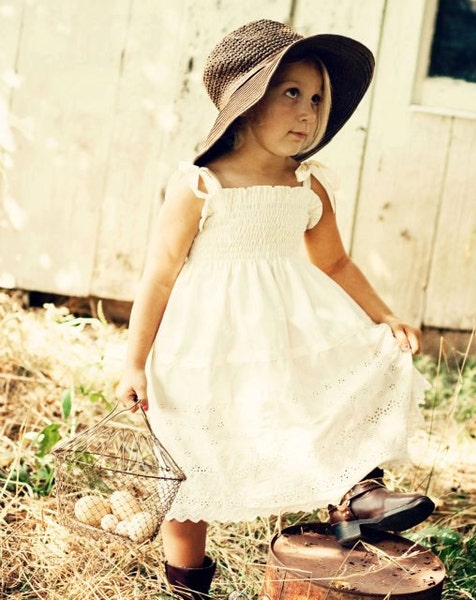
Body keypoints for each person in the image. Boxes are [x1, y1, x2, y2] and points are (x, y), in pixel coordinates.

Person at [116, 19, 434, 600]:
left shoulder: (308, 187)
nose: (308, 112)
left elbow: (335, 263)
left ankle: (355, 498)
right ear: (246, 103)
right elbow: (159, 274)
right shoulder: (200, 186)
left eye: (316, 99)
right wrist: (134, 362)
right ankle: (187, 585)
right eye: (291, 93)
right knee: (192, 460)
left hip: (285, 330)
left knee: (331, 392)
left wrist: (384, 315)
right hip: (204, 345)